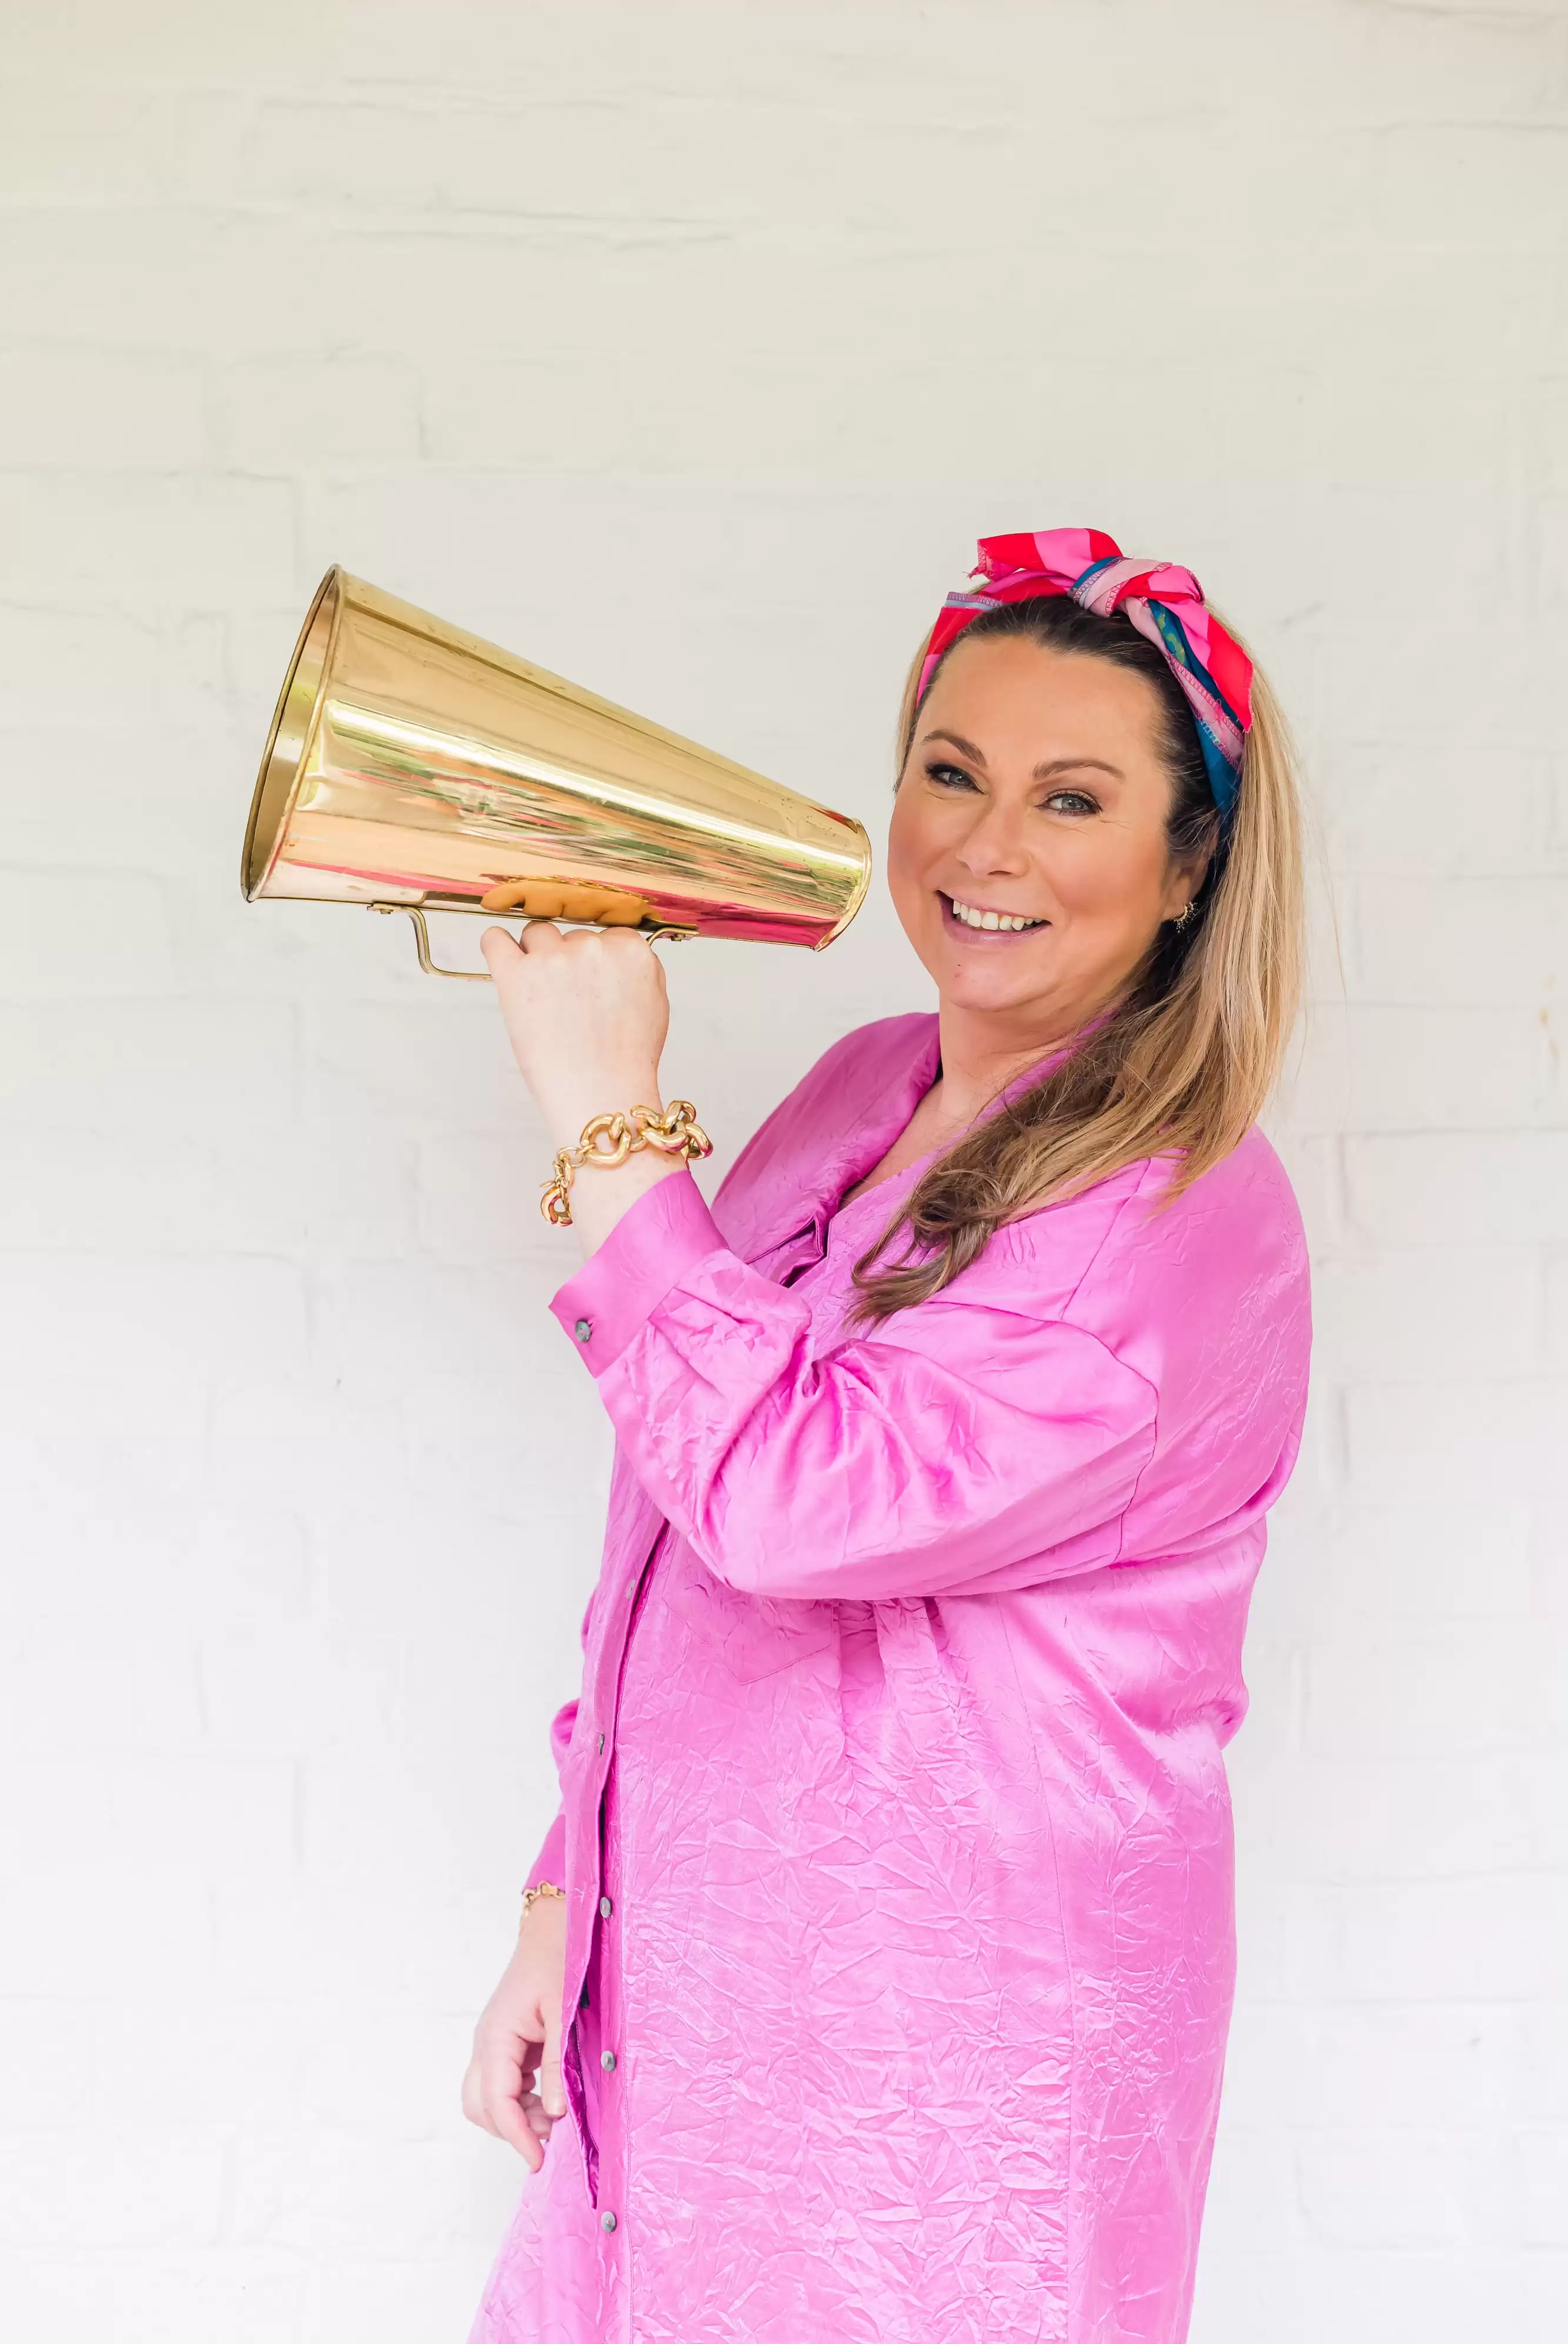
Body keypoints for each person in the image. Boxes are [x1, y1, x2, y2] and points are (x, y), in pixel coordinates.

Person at [462, 529, 1311, 2344]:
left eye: (1072, 800)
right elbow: (671, 1516)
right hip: (703, 1969)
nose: (985, 849)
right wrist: (568, 1889)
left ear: (1188, 871)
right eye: (951, 772)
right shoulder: (867, 1082)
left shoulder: (1179, 1213)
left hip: (960, 2031)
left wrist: (611, 1119)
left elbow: (792, 1502)